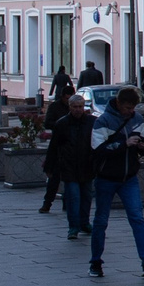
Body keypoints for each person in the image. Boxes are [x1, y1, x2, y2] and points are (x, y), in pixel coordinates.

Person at [87, 89, 144, 278]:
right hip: (106, 177)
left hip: (129, 177)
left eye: (133, 108)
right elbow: (98, 149)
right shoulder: (103, 121)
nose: (130, 111)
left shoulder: (136, 118)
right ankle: (95, 262)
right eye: (128, 107)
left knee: (137, 218)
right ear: (119, 104)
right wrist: (124, 144)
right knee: (101, 220)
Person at [43, 93, 95, 236]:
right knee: (73, 198)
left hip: (87, 166)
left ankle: (84, 223)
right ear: (70, 107)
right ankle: (73, 227)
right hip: (69, 167)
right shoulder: (62, 123)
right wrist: (49, 167)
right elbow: (54, 147)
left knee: (86, 197)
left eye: (80, 107)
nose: (78, 110)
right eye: (75, 107)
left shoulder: (91, 122)